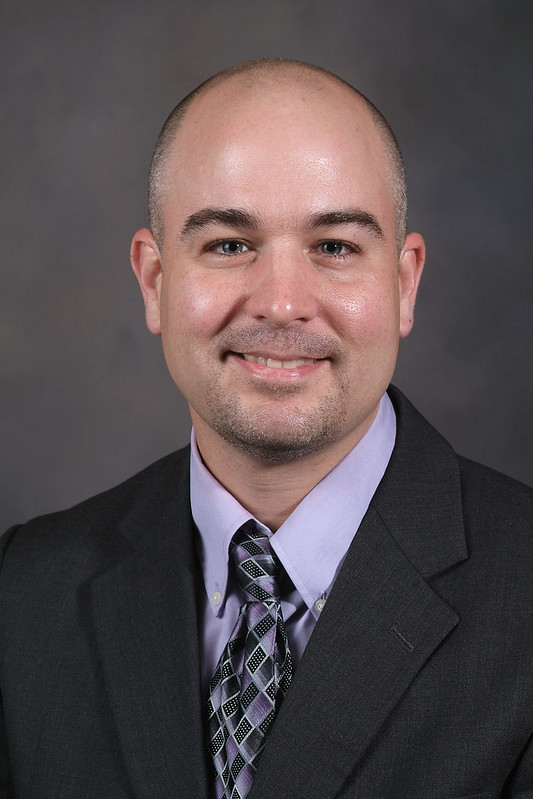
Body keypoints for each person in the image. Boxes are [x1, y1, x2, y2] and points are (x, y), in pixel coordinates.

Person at [0, 58, 531, 799]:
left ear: (403, 284)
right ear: (154, 281)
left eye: (335, 246)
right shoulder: (23, 592)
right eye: (227, 244)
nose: (281, 304)